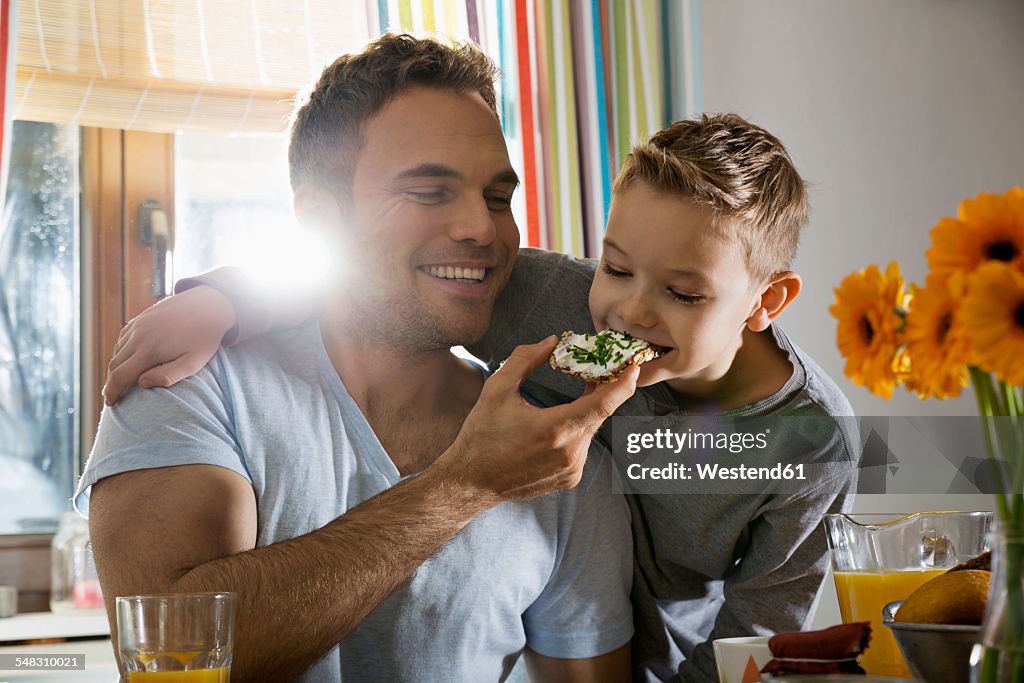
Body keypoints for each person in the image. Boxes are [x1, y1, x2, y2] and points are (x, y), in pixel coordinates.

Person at [104, 113, 860, 681]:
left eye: (684, 292)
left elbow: (759, 636)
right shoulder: (553, 301)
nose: (629, 312)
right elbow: (373, 276)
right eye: (618, 267)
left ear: (768, 301)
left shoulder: (813, 442)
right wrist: (225, 298)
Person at [77, 34, 642, 683]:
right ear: (321, 220)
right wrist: (464, 484)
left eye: (497, 196)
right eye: (429, 191)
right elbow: (173, 657)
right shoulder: (187, 385)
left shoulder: (556, 452)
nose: (483, 229)